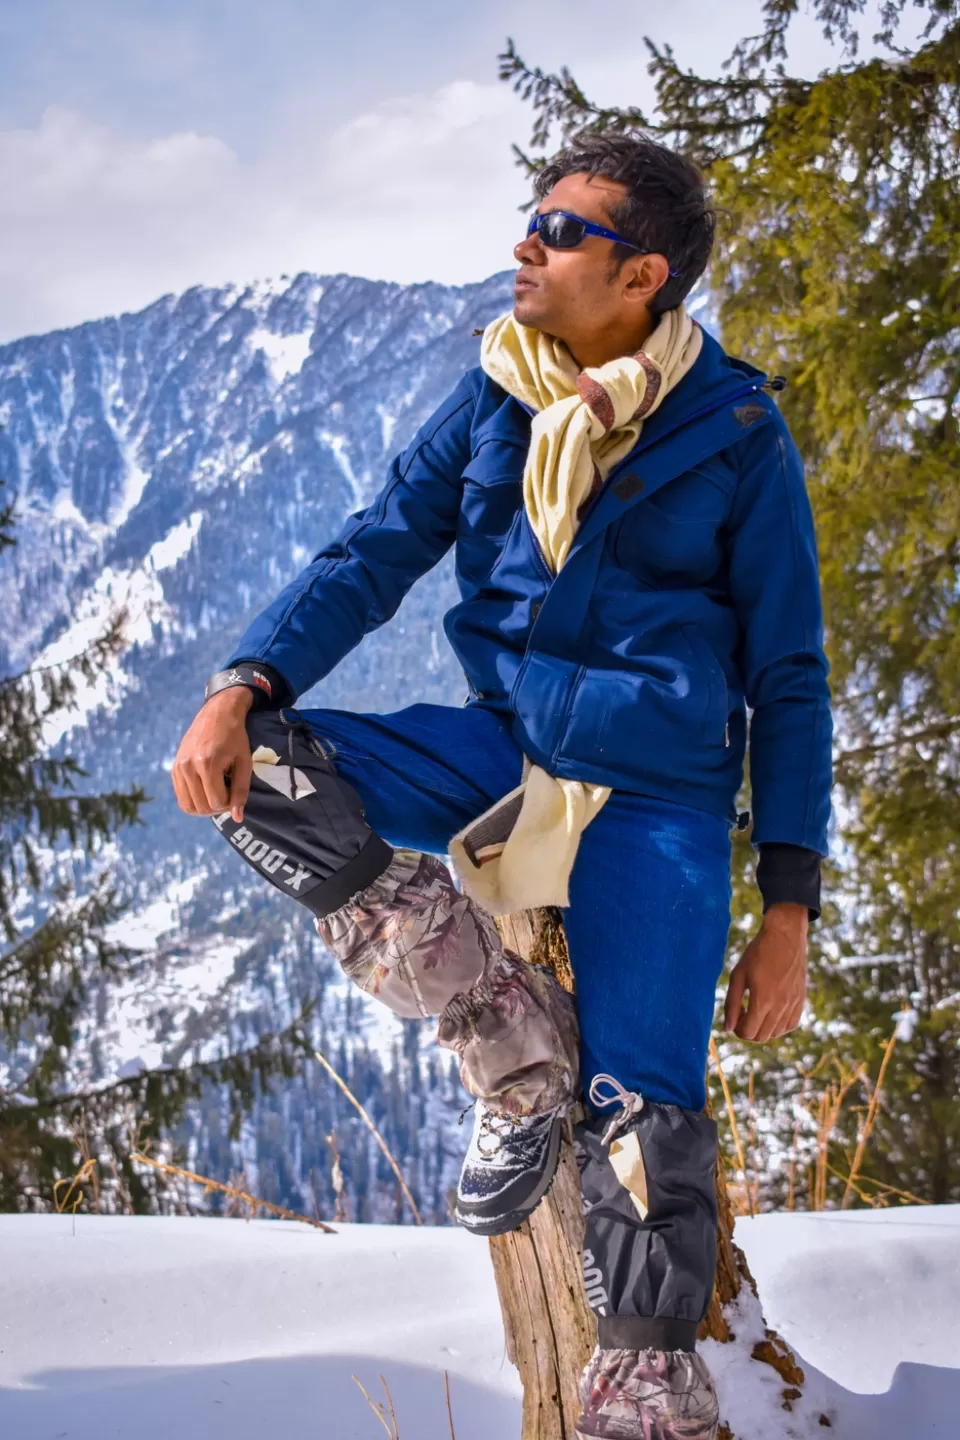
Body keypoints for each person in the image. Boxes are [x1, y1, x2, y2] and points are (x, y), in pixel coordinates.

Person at [172, 133, 831, 1440]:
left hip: (660, 800)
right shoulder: (493, 396)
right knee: (268, 781)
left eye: (562, 230)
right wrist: (243, 684)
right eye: (530, 218)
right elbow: (371, 556)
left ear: (642, 274)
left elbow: (792, 676)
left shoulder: (740, 431)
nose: (525, 243)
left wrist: (790, 910)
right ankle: (495, 1024)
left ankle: (645, 1394)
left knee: (645, 1129)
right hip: (500, 759)